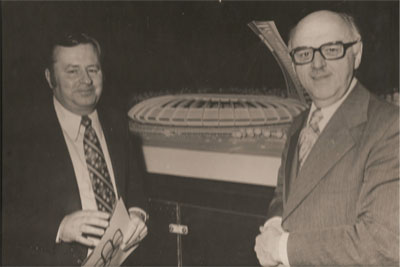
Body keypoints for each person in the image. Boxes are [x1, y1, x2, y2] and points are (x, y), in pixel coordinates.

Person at [254, 10, 399, 266]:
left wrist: (280, 247)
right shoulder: (299, 123)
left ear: (357, 53)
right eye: (304, 53)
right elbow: (285, 196)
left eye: (331, 49)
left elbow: (383, 242)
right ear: (294, 63)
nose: (317, 64)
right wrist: (274, 225)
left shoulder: (389, 127)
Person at [3, 33, 148, 265]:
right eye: (72, 71)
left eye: (93, 69)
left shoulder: (116, 122)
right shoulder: (20, 136)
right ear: (50, 78)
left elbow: (135, 187)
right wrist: (59, 227)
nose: (86, 80)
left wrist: (137, 215)